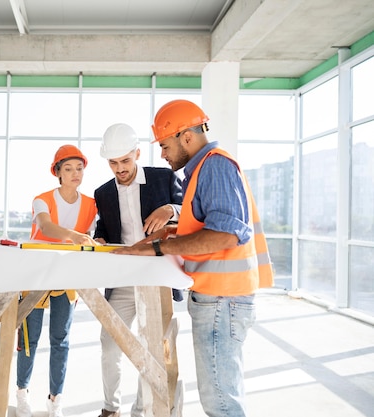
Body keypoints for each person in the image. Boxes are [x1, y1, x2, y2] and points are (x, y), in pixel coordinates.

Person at [112, 100, 274, 417]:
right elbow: (206, 225)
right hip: (219, 298)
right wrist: (171, 232)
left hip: (222, 299)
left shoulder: (215, 165)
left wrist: (158, 249)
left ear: (186, 136)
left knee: (221, 402)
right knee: (222, 396)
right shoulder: (202, 169)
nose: (162, 154)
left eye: (164, 145)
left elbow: (226, 234)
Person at [93, 123, 183, 417]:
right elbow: (104, 228)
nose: (119, 168)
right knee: (110, 344)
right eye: (113, 163)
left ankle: (141, 410)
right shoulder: (102, 192)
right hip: (121, 279)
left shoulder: (163, 177)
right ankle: (111, 407)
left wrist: (170, 209)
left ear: (137, 154)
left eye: (125, 161)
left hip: (155, 278)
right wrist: (99, 238)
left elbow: (189, 210)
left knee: (153, 348)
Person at [16, 144, 99, 417]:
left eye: (80, 168)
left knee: (60, 340)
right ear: (58, 172)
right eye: (68, 168)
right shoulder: (41, 199)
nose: (75, 173)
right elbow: (46, 226)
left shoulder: (90, 204)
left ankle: (55, 400)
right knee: (30, 338)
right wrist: (74, 236)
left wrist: (93, 239)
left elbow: (94, 234)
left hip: (67, 275)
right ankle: (22, 395)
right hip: (36, 273)